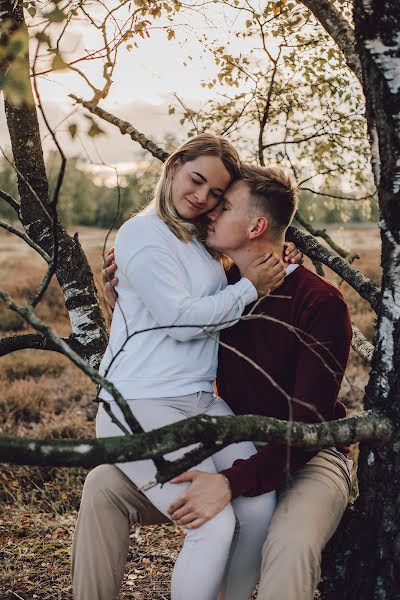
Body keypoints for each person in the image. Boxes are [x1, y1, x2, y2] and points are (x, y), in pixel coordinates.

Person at [94, 161, 353, 600]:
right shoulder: (222, 287)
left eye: (224, 203)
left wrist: (233, 482)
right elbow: (169, 330)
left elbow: (306, 425)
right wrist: (121, 297)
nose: (209, 210)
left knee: (289, 542)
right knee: (102, 484)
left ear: (256, 225)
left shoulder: (320, 302)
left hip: (306, 456)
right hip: (232, 439)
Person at [72, 133, 300, 600]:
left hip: (200, 402)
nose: (203, 198)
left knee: (258, 505)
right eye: (197, 181)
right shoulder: (142, 232)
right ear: (174, 166)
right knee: (212, 527)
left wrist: (279, 255)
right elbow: (177, 320)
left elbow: (243, 251)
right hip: (140, 404)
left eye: (217, 194)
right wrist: (249, 288)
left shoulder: (198, 239)